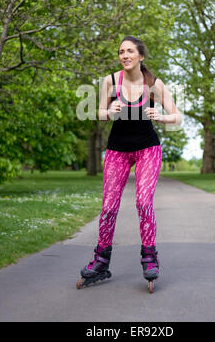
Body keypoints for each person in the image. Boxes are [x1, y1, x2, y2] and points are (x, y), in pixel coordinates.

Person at [77, 35, 183, 290]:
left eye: (130, 51)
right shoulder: (110, 81)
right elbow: (99, 114)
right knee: (109, 207)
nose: (124, 55)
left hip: (148, 149)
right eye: (121, 52)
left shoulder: (154, 84)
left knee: (143, 202)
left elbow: (177, 117)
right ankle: (101, 260)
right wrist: (107, 112)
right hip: (117, 150)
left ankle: (149, 256)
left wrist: (161, 116)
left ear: (141, 56)